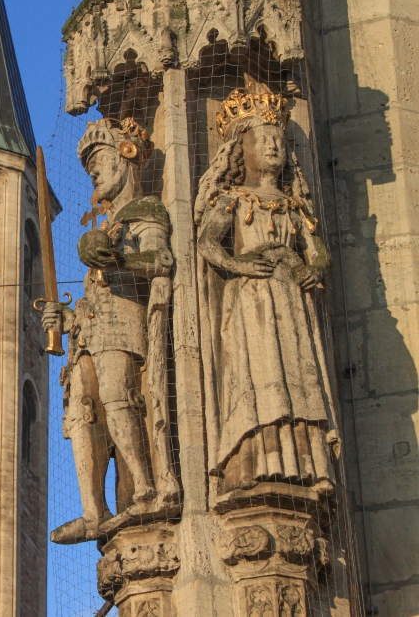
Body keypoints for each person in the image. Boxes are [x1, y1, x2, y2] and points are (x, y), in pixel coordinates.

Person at [195, 85, 337, 495]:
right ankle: (261, 460)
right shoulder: (233, 198)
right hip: (253, 300)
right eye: (263, 139)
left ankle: (312, 465)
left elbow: (319, 253)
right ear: (243, 149)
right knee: (260, 375)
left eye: (278, 139)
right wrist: (237, 264)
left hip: (293, 300)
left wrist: (315, 270)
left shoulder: (295, 205)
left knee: (298, 376)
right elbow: (207, 243)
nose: (273, 146)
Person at [43, 117, 179, 544]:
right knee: (80, 410)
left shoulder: (146, 212)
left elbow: (162, 263)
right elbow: (91, 297)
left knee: (118, 398)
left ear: (126, 154)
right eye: (88, 167)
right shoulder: (105, 228)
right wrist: (64, 320)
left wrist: (116, 262)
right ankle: (92, 510)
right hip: (89, 333)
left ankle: (143, 487)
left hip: (124, 326)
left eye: (98, 161)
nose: (94, 172)